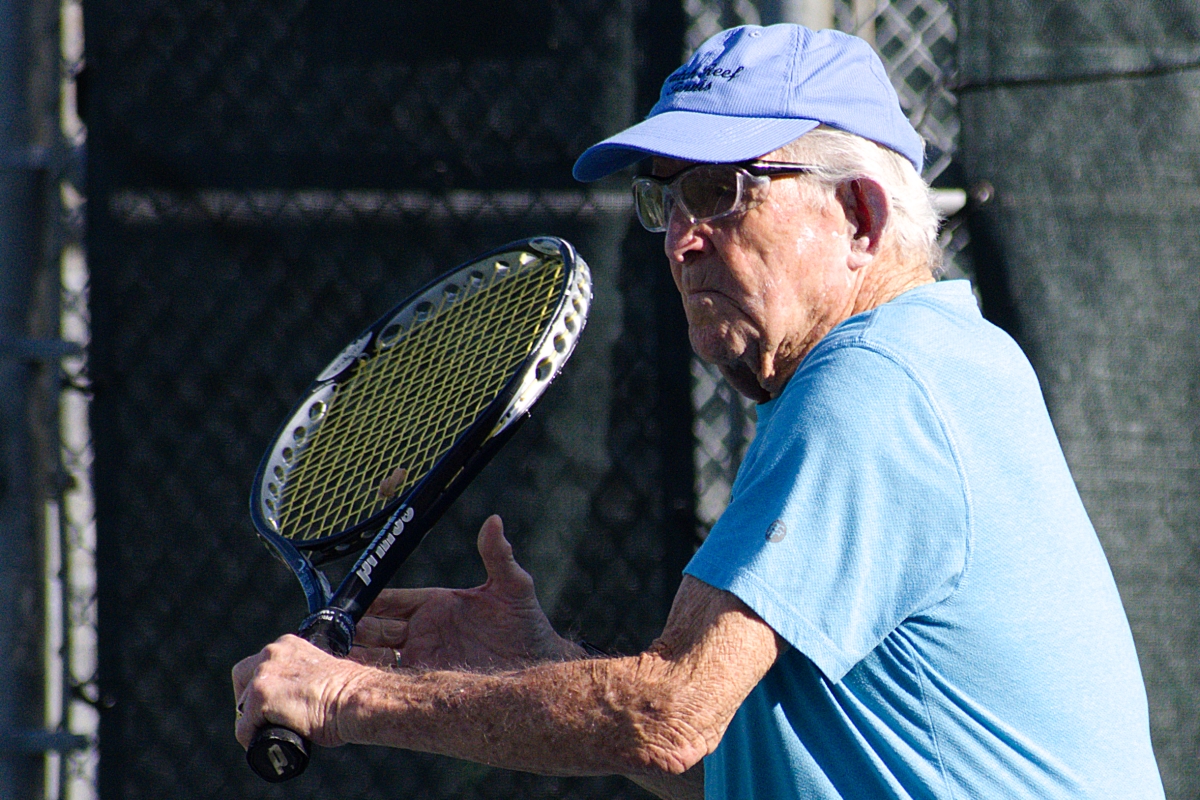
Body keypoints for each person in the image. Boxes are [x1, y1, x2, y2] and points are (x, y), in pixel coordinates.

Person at [234, 24, 1165, 799]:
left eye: (722, 190)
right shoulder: (948, 359)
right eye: (666, 196)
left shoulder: (873, 384)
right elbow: (727, 764)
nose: (681, 239)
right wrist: (530, 661)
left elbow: (667, 716)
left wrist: (343, 697)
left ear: (862, 218)